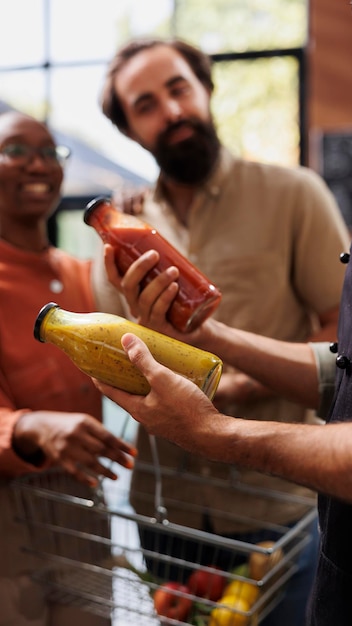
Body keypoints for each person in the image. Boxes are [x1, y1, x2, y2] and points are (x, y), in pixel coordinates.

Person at [93, 2, 352, 623]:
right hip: (171, 512)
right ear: (130, 131)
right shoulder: (125, 231)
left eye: (178, 88)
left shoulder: (292, 193)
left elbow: (347, 335)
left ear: (206, 90)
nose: (172, 111)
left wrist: (225, 397)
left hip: (276, 511)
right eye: (146, 105)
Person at [0, 110, 137, 626]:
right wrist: (29, 425)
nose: (37, 163)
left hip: (82, 503)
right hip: (8, 518)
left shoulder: (80, 274)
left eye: (49, 152)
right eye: (16, 150)